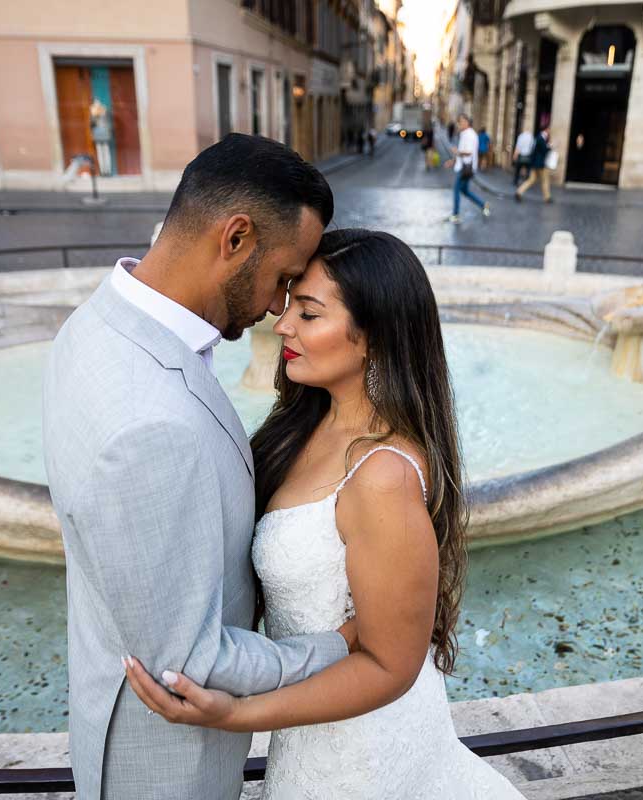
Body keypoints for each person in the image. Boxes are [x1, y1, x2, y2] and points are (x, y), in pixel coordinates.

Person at [125, 228, 525, 799]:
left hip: (363, 761)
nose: (282, 324)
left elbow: (391, 666)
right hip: (305, 736)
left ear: (373, 338)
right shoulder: (302, 427)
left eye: (308, 314)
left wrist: (236, 714)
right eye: (289, 304)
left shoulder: (382, 476)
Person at [42, 133, 357, 800]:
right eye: (281, 279)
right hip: (166, 765)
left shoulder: (93, 325)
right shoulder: (151, 425)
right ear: (235, 239)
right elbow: (189, 661)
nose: (278, 308)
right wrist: (341, 646)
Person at [444, 113, 490, 224]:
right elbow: (463, 152)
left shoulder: (470, 135)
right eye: (458, 122)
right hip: (465, 167)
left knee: (456, 190)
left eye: (460, 122)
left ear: (466, 122)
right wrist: (453, 161)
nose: (459, 125)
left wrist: (457, 152)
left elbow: (468, 152)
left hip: (466, 168)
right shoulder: (465, 134)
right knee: (465, 191)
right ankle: (483, 205)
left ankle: (455, 215)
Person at [515, 126, 552, 203]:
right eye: (549, 129)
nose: (550, 131)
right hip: (540, 164)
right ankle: (547, 197)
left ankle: (519, 191)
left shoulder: (537, 137)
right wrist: (550, 146)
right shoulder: (541, 138)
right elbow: (544, 150)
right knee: (545, 180)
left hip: (535, 163)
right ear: (546, 130)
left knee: (531, 179)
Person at [89, 97, 114, 177]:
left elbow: (109, 122)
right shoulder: (93, 112)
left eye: (97, 102)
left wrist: (109, 132)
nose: (97, 104)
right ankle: (102, 171)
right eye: (95, 102)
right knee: (100, 152)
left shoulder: (105, 110)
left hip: (105, 133)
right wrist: (93, 115)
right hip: (97, 134)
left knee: (106, 152)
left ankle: (108, 170)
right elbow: (91, 125)